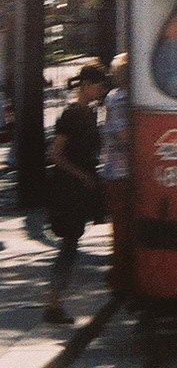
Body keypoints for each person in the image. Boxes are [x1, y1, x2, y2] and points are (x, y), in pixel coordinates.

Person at [43, 62, 110, 325]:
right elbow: (55, 155)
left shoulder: (89, 113)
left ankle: (54, 302)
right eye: (99, 85)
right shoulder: (71, 115)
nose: (102, 90)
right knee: (69, 244)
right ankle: (53, 303)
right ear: (86, 85)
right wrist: (81, 175)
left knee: (71, 244)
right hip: (68, 190)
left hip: (80, 191)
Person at [99, 53, 133, 294]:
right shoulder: (120, 100)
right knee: (123, 229)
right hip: (121, 172)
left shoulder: (113, 97)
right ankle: (120, 279)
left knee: (121, 228)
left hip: (115, 171)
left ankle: (120, 275)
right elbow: (124, 135)